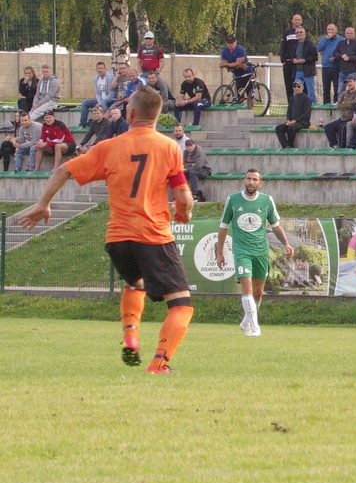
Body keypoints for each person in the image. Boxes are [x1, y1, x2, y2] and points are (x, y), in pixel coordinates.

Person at [15, 87, 194, 373]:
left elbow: (63, 170)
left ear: (130, 114)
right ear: (157, 115)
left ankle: (131, 335)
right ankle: (159, 363)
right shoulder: (169, 147)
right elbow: (183, 196)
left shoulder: (109, 146)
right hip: (153, 235)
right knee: (181, 304)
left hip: (118, 238)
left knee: (134, 285)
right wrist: (184, 213)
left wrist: (43, 204)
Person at [215, 168, 293, 337]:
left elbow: (275, 226)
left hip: (261, 251)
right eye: (248, 179)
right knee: (247, 287)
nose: (251, 182)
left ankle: (246, 322)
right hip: (242, 251)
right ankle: (255, 326)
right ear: (244, 180)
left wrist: (286, 243)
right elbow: (223, 227)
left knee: (257, 293)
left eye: (254, 179)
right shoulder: (233, 200)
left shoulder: (267, 200)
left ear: (260, 183)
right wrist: (219, 253)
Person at [285, 24, 319, 103]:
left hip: (308, 71)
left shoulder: (310, 44)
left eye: (301, 32)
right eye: (297, 32)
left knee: (310, 91)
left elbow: (315, 57)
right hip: (298, 71)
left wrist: (304, 60)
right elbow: (292, 57)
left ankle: (313, 106)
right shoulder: (295, 45)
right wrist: (293, 60)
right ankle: (297, 105)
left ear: (304, 34)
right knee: (296, 90)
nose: (299, 34)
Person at [323, 77, 356, 148]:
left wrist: (344, 104)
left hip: (351, 119)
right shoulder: (345, 93)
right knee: (328, 127)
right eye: (347, 82)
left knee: (342, 127)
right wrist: (347, 104)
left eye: (350, 81)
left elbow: (354, 104)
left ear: (355, 81)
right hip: (342, 118)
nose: (349, 84)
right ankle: (334, 146)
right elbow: (338, 104)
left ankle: (342, 147)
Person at [276, 79, 313, 148]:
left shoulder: (306, 99)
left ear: (302, 87)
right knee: (279, 128)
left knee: (291, 128)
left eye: (298, 86)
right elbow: (289, 111)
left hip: (303, 122)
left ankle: (291, 144)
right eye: (295, 86)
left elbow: (306, 113)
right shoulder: (292, 99)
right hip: (292, 122)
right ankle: (286, 145)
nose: (296, 88)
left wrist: (295, 121)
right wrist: (288, 120)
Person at [78, 61, 116, 127]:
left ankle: (104, 124)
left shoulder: (110, 78)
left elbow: (111, 94)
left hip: (109, 100)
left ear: (105, 69)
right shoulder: (96, 79)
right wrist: (99, 102)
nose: (100, 70)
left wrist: (101, 103)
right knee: (85, 102)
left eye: (102, 68)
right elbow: (97, 93)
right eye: (98, 68)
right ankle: (82, 124)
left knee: (104, 103)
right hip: (100, 100)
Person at [317, 23, 345, 104]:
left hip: (337, 67)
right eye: (328, 29)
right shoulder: (324, 39)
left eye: (332, 29)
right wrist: (326, 39)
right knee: (326, 89)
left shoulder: (341, 40)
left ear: (336, 30)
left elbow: (343, 52)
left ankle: (336, 104)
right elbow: (318, 48)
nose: (330, 31)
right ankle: (326, 105)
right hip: (326, 67)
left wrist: (336, 58)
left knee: (337, 89)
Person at [219, 33, 253, 101]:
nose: (231, 45)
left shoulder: (240, 50)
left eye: (232, 43)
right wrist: (236, 65)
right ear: (226, 43)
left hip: (247, 72)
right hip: (237, 74)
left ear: (236, 42)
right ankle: (240, 106)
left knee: (250, 94)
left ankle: (250, 107)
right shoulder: (224, 51)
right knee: (239, 96)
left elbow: (238, 63)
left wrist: (227, 64)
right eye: (229, 43)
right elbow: (223, 64)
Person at [337, 26, 356, 95]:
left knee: (353, 89)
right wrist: (341, 56)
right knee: (340, 90)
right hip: (342, 70)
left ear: (354, 34)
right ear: (345, 34)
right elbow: (335, 53)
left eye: (351, 33)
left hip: (352, 70)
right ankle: (341, 101)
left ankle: (353, 101)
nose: (349, 35)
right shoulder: (341, 43)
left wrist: (349, 58)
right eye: (347, 33)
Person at [182, 137, 211, 201]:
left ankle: (195, 195)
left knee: (193, 173)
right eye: (187, 146)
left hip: (204, 169)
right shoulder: (185, 152)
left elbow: (198, 165)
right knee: (181, 173)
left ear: (194, 145)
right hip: (191, 169)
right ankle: (183, 194)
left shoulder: (200, 152)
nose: (189, 147)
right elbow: (184, 163)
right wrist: (189, 167)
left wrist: (188, 168)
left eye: (190, 145)